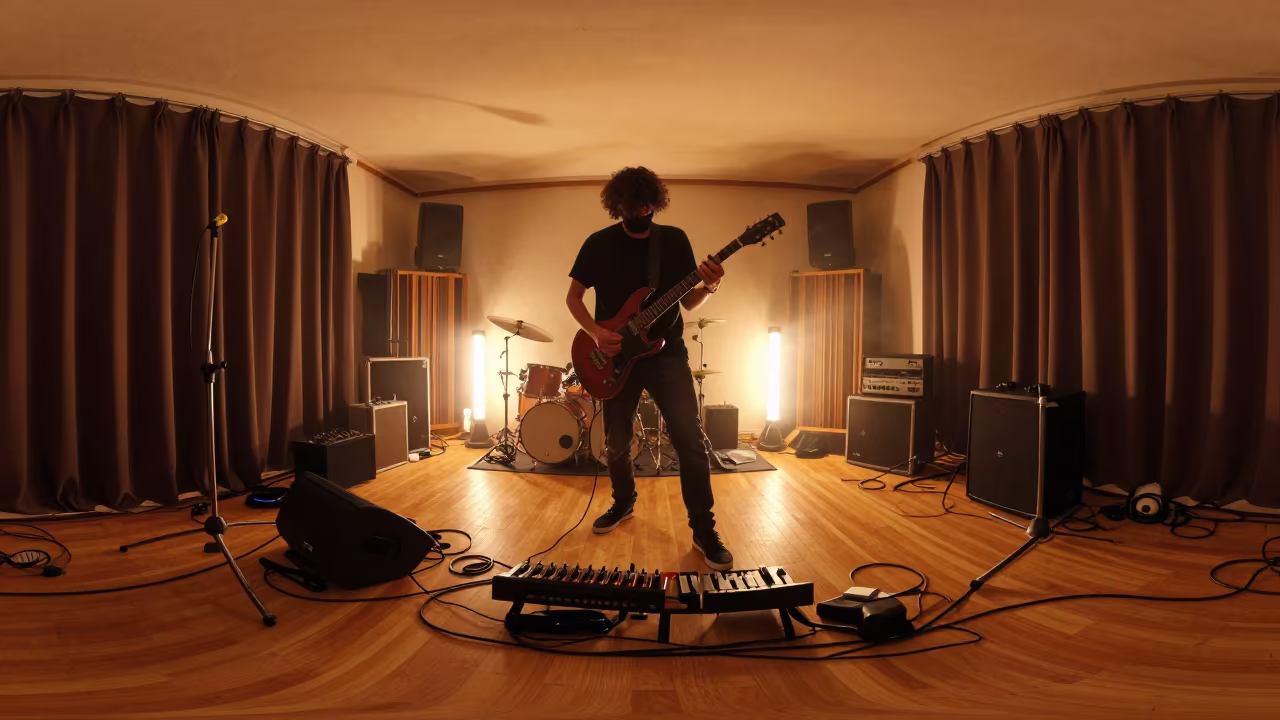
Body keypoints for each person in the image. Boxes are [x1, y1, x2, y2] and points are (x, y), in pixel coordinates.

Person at [565, 167, 733, 570]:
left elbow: (687, 303)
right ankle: (623, 503)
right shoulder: (598, 244)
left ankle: (703, 529)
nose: (638, 213)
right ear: (616, 205)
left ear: (655, 203)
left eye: (645, 205)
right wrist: (595, 332)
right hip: (613, 357)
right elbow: (573, 297)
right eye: (629, 206)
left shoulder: (673, 241)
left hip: (667, 354)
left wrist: (710, 286)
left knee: (690, 442)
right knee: (616, 444)